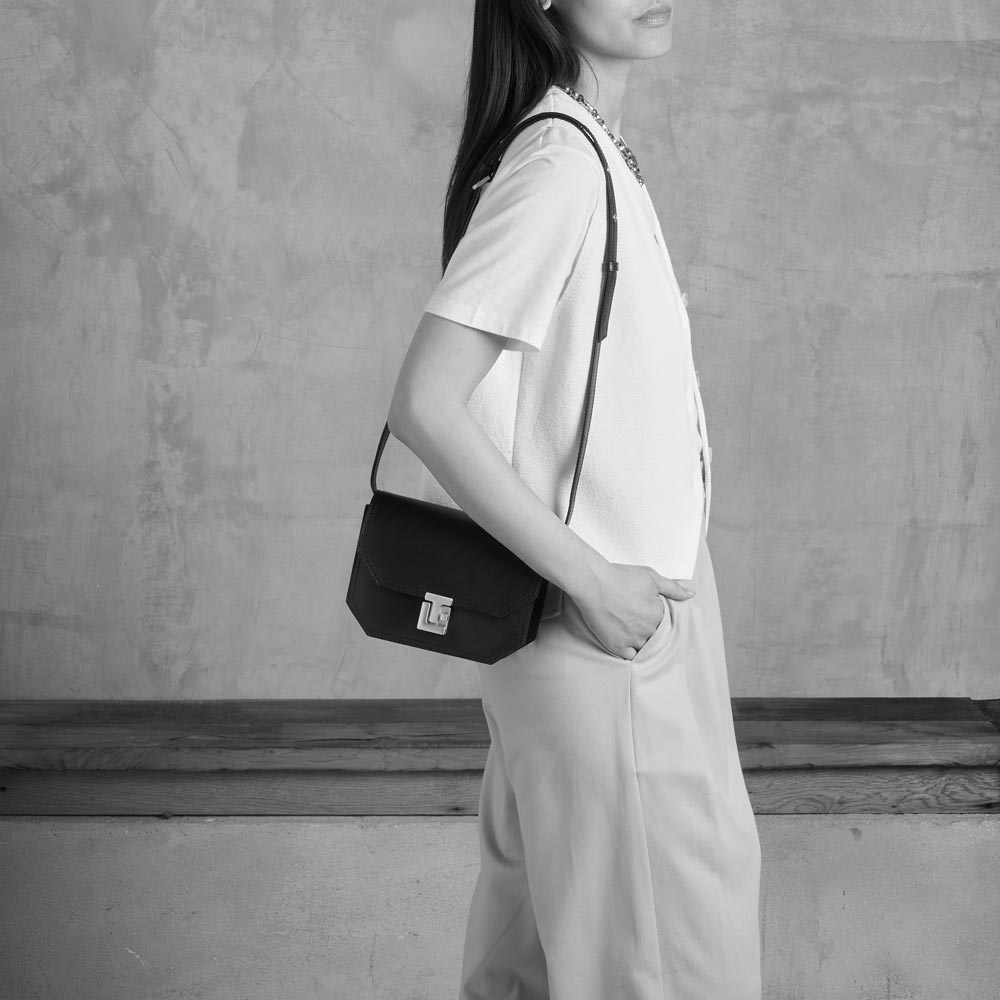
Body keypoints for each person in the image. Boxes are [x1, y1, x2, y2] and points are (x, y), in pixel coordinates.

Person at [387, 1, 762, 997]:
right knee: (666, 965)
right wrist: (596, 581)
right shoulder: (559, 164)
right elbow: (427, 401)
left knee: (533, 965)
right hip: (604, 634)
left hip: (602, 625)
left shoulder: (583, 150)